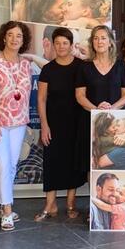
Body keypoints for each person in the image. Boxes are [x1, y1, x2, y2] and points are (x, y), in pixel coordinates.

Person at [35, 27, 87, 221]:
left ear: (71, 45)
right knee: (52, 162)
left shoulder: (81, 67)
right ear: (52, 45)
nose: (61, 46)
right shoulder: (48, 69)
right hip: (53, 123)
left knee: (73, 163)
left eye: (65, 43)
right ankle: (50, 204)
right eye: (57, 43)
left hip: (77, 122)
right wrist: (44, 125)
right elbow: (41, 99)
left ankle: (71, 203)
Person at [76, 26, 125, 183]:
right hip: (90, 122)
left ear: (110, 42)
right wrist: (96, 110)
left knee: (112, 162)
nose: (99, 41)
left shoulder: (121, 65)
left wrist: (111, 109)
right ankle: (93, 198)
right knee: (92, 164)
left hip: (115, 124)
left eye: (103, 38)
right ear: (92, 43)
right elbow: (79, 96)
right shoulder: (84, 66)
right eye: (95, 38)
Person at [0, 21, 33, 231]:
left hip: (19, 122)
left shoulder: (26, 64)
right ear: (4, 37)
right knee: (3, 165)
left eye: (19, 36)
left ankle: (2, 203)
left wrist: (32, 57)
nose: (15, 39)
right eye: (11, 34)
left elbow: (47, 65)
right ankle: (7, 211)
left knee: (13, 165)